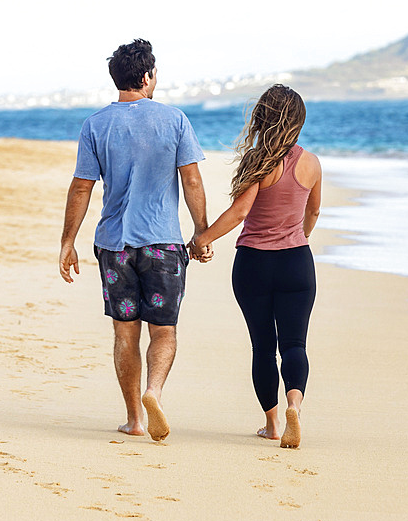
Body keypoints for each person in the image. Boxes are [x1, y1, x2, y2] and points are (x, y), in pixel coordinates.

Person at [58, 39, 212, 442]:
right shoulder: (175, 119)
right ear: (146, 77)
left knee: (125, 334)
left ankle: (134, 419)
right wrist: (202, 232)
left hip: (114, 247)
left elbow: (81, 188)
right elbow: (191, 179)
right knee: (164, 331)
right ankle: (154, 391)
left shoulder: (95, 125)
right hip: (162, 246)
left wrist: (67, 242)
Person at [193, 84, 321, 448]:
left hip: (254, 264)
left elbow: (240, 212)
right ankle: (295, 403)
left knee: (264, 347)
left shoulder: (257, 160)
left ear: (262, 117)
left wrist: (203, 239)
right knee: (295, 343)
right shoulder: (311, 163)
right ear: (297, 121)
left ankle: (273, 424)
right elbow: (312, 211)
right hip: (297, 263)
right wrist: (298, 237)